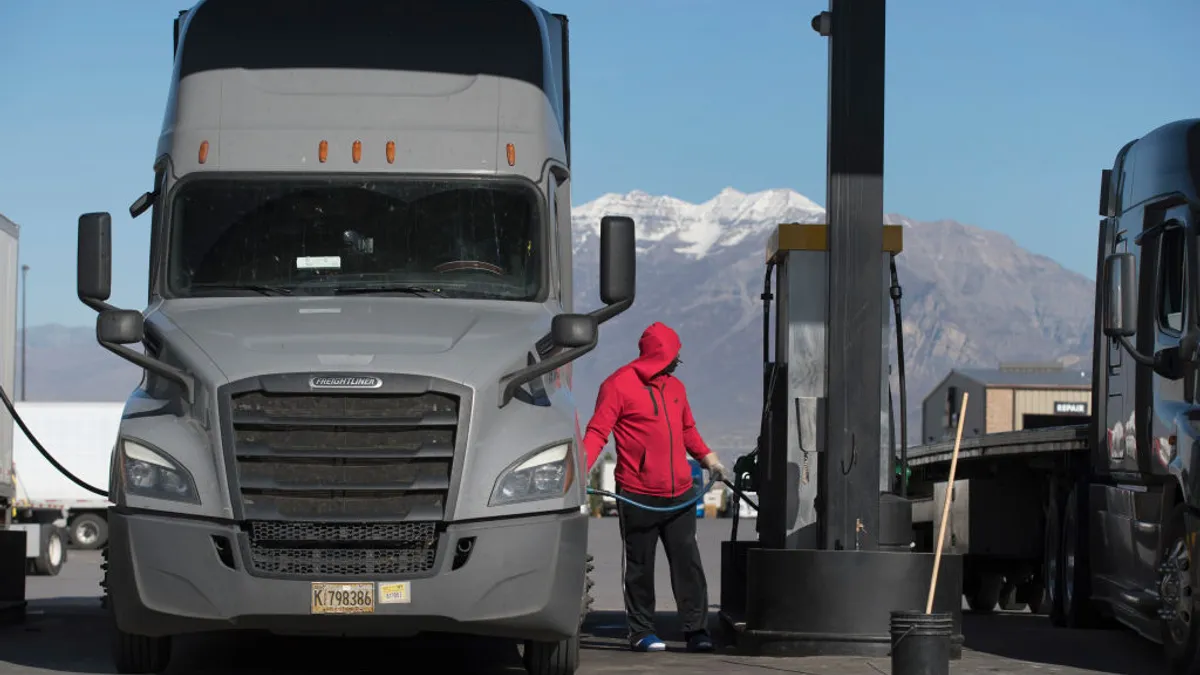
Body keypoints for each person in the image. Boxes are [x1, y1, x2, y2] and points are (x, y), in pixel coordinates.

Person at [583, 322, 728, 654]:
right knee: (639, 566)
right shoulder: (617, 386)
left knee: (687, 563)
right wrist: (576, 472)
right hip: (637, 493)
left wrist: (709, 459)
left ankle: (697, 631)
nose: (677, 362)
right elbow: (597, 432)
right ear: (659, 355)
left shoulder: (676, 388)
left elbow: (688, 430)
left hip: (680, 493)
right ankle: (642, 632)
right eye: (674, 356)